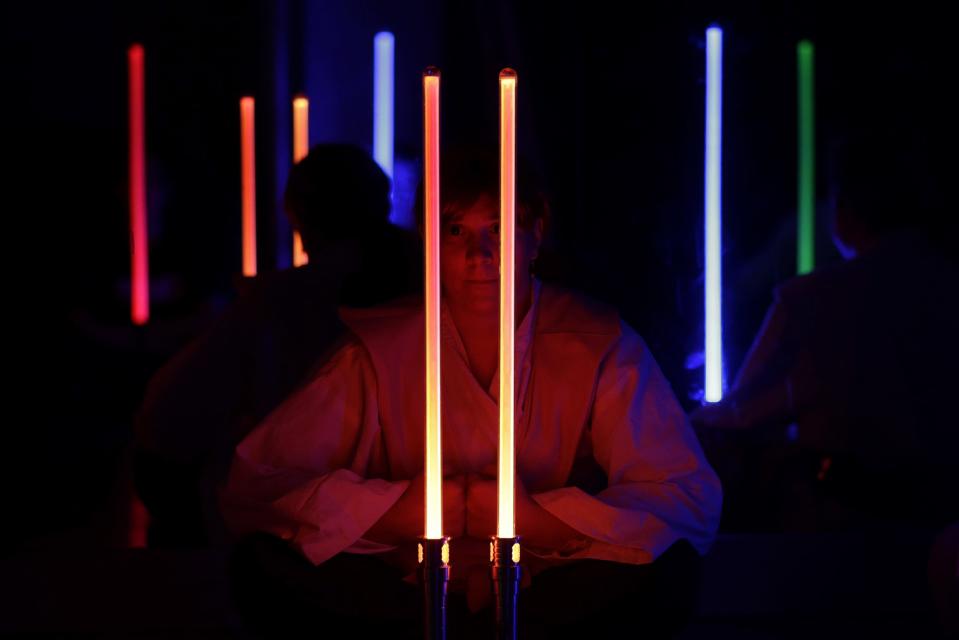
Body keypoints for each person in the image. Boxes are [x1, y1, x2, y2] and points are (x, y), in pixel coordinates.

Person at [220, 149, 722, 637]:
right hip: (404, 582)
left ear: (536, 231)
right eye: (456, 230)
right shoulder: (379, 346)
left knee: (671, 571)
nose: (479, 255)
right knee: (261, 567)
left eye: (499, 229)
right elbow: (260, 481)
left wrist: (536, 519)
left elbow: (684, 498)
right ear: (428, 238)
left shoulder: (598, 343)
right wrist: (402, 511)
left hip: (550, 583)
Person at [134, 144, 420, 546]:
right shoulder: (442, 287)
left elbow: (166, 423)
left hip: (301, 543)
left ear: (302, 220)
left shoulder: (279, 306)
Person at [692, 122, 958, 531]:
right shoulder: (943, 284)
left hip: (838, 531)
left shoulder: (814, 300)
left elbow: (740, 413)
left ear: (843, 207)